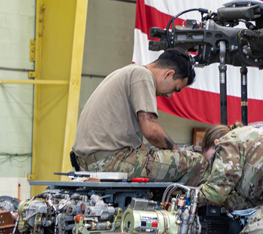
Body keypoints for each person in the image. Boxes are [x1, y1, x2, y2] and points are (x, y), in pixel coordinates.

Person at [72, 49, 206, 185]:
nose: (169, 95)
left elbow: (139, 145)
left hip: (89, 161)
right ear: (168, 74)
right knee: (197, 161)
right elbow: (151, 131)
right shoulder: (143, 76)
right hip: (109, 161)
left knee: (158, 158)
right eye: (175, 88)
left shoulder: (127, 73)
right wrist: (176, 152)